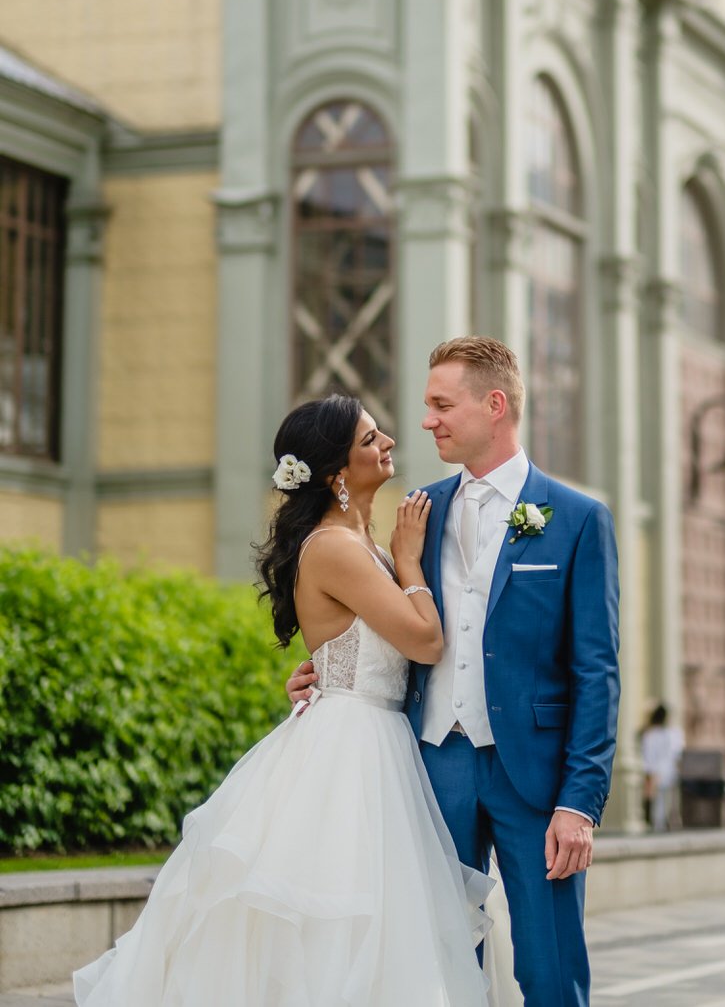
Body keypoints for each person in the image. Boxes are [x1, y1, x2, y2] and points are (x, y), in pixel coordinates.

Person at [74, 395, 493, 1007]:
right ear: (336, 475)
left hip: (375, 738)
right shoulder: (336, 548)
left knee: (378, 929)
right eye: (370, 439)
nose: (389, 444)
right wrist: (409, 562)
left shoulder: (357, 543)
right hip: (349, 752)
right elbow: (426, 642)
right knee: (338, 927)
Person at [288, 336, 621, 1007]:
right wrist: (323, 672)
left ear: (493, 405)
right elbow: (372, 622)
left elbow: (597, 671)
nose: (426, 421)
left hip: (536, 780)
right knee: (435, 969)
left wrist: (579, 803)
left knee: (551, 972)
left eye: (442, 404)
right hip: (429, 771)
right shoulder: (418, 513)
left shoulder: (579, 520)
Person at [640, 703, 684, 832]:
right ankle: (671, 823)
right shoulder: (674, 733)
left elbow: (648, 756)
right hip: (670, 771)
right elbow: (678, 753)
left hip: (658, 772)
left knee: (659, 802)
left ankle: (660, 825)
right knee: (670, 800)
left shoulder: (650, 735)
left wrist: (650, 774)